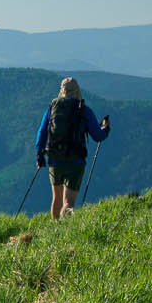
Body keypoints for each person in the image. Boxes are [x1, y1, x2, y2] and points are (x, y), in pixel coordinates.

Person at [35, 77, 111, 219]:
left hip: (54, 159)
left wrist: (39, 153)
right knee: (68, 202)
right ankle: (65, 232)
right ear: (77, 90)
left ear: (61, 90)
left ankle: (54, 230)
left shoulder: (52, 108)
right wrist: (106, 128)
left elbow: (42, 131)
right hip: (76, 161)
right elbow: (98, 136)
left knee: (56, 199)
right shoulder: (83, 110)